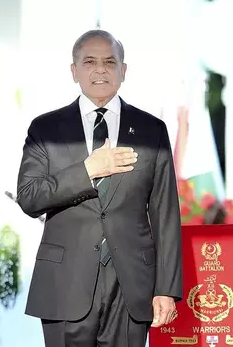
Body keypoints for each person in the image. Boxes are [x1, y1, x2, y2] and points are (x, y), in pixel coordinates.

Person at [16, 29, 182, 346]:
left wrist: (166, 288)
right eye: (90, 61)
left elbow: (166, 215)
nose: (100, 69)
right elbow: (30, 197)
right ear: (74, 71)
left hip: (132, 285)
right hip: (64, 282)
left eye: (110, 61)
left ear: (123, 70)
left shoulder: (151, 130)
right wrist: (88, 170)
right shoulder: (46, 128)